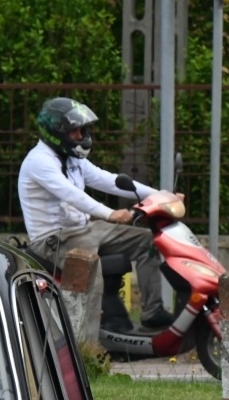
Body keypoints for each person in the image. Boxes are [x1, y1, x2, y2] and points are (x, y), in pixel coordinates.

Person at [17, 97, 178, 331]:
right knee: (93, 276)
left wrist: (163, 196)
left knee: (147, 242)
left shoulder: (72, 158)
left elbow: (108, 180)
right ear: (57, 131)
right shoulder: (39, 162)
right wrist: (110, 213)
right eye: (76, 131)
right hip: (55, 240)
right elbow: (72, 195)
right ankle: (88, 350)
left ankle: (153, 314)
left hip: (85, 230)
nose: (82, 136)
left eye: (83, 130)